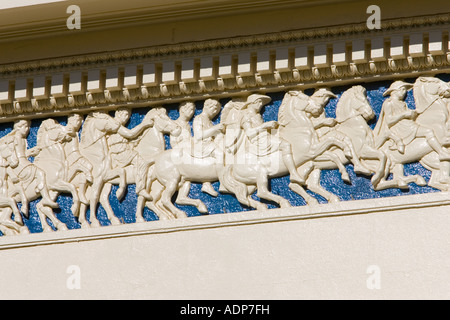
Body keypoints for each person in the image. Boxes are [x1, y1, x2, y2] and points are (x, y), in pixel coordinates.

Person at [374, 80, 450, 160]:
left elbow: (406, 115)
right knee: (428, 131)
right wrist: (404, 114)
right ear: (395, 90)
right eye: (403, 89)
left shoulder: (403, 103)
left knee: (429, 131)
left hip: (408, 125)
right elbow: (389, 120)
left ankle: (441, 152)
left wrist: (412, 114)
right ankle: (441, 153)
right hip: (401, 128)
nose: (405, 92)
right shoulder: (389, 103)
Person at [240, 94, 305, 184]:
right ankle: (293, 173)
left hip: (265, 137)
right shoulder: (246, 116)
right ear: (253, 103)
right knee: (285, 145)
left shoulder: (257, 115)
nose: (260, 105)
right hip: (258, 141)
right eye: (259, 103)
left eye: (261, 103)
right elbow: (249, 133)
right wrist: (265, 125)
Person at [171, 101, 218, 196]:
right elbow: (173, 142)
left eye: (193, 110)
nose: (192, 112)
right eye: (190, 109)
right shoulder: (174, 124)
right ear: (182, 110)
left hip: (192, 148)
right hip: (182, 152)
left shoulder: (188, 124)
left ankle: (206, 182)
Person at [106, 108, 153, 200]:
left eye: (128, 116)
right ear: (118, 114)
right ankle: (140, 189)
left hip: (123, 151)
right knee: (141, 162)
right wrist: (144, 124)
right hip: (120, 153)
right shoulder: (115, 124)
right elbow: (130, 134)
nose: (127, 118)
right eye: (125, 115)